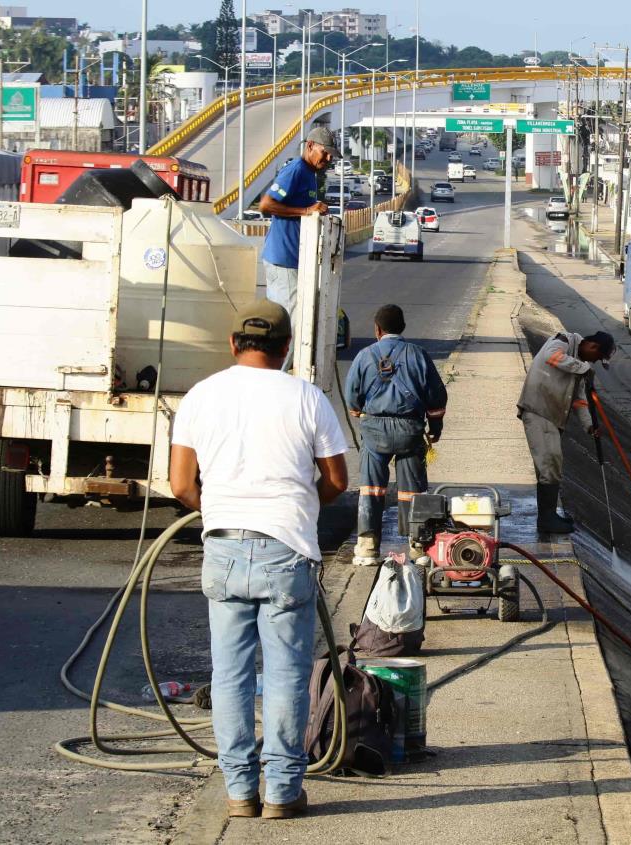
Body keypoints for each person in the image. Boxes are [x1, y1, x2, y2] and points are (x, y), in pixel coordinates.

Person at [169, 300, 349, 821]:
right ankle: (282, 792)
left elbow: (181, 484)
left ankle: (240, 792)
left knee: (229, 676)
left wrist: (222, 508)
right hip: (286, 549)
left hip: (222, 548)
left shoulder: (201, 396)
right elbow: (336, 480)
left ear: (232, 344)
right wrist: (298, 504)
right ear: (287, 347)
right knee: (288, 674)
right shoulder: (307, 397)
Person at [345, 304, 448, 566]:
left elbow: (352, 400)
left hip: (374, 432)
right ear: (402, 328)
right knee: (412, 490)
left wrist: (360, 412)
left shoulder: (365, 355)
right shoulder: (418, 354)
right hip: (410, 431)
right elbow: (436, 395)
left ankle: (368, 547)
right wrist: (435, 428)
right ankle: (418, 546)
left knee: (371, 488)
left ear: (377, 330)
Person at [518, 330, 615, 534]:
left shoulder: (578, 365)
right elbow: (550, 357)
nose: (594, 363)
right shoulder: (562, 341)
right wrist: (583, 368)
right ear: (592, 346)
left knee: (552, 465)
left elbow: (580, 402)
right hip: (538, 410)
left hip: (552, 417)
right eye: (596, 358)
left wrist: (589, 426)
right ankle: (547, 519)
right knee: (550, 462)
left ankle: (549, 515)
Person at [259, 126, 339, 359]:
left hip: (295, 262)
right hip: (283, 261)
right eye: (324, 152)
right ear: (310, 146)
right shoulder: (296, 170)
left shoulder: (310, 175)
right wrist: (306, 210)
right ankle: (278, 386)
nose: (328, 158)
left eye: (331, 155)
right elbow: (266, 205)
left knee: (299, 329)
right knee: (291, 333)